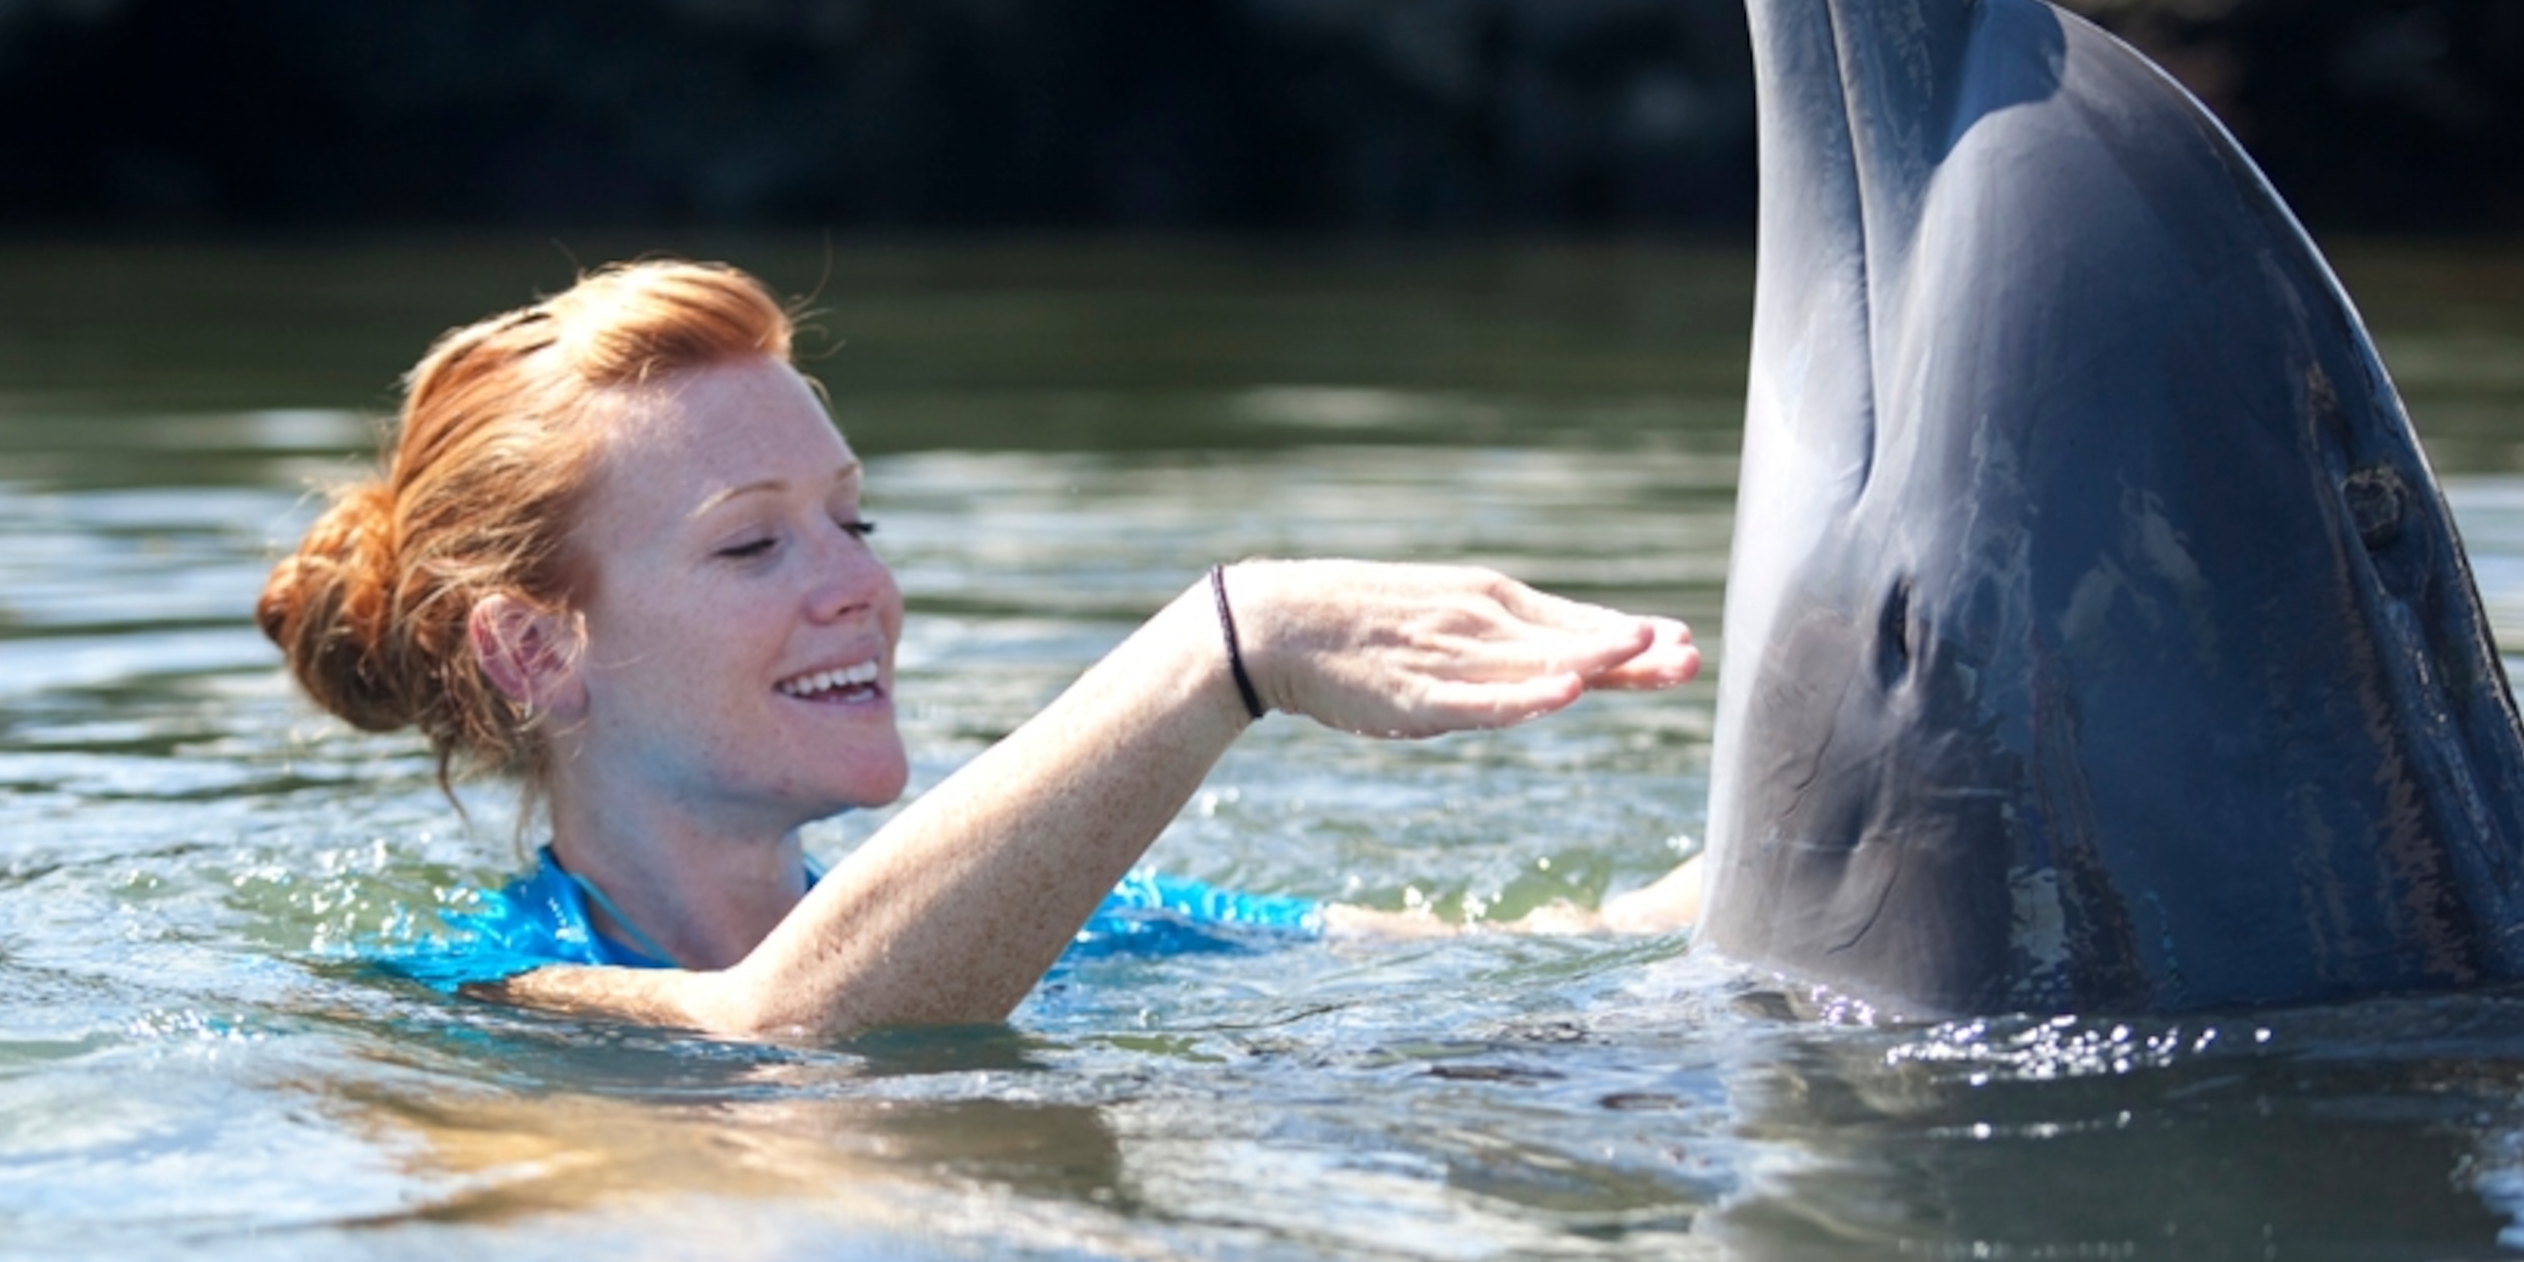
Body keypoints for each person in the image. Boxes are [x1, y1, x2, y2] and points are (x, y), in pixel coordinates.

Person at [259, 260, 1704, 1042]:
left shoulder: (1069, 908)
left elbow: (1560, 954)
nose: (861, 590)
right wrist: (1227, 643)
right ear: (530, 654)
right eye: (753, 544)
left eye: (853, 518)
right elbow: (779, 1022)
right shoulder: (479, 995)